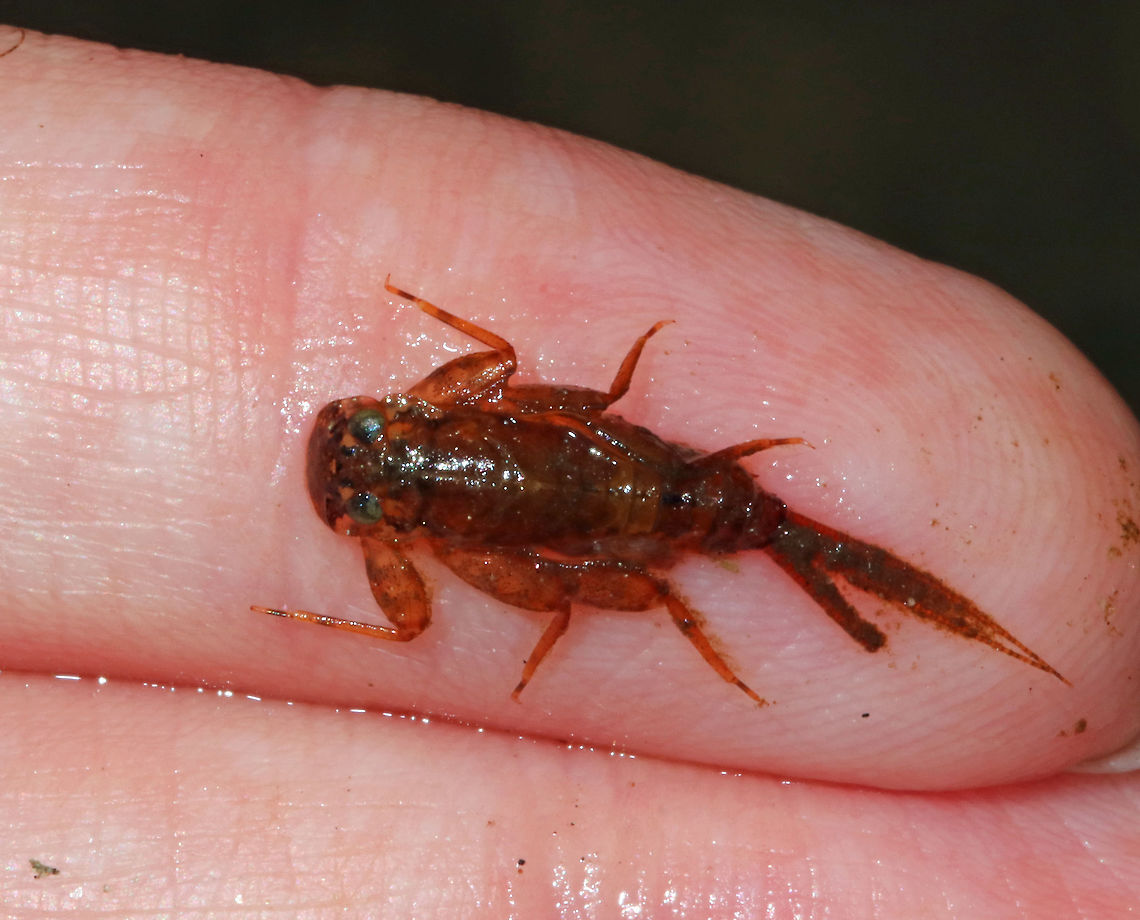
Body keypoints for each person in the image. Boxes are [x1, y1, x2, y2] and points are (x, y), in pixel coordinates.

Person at [1, 26, 1137, 916]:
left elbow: (468, 542)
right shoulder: (468, 403)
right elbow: (509, 381)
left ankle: (878, 594)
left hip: (652, 495)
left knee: (521, 599)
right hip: (643, 489)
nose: (363, 457)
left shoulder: (426, 511)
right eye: (369, 462)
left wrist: (337, 594)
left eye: (367, 453)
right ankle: (838, 578)